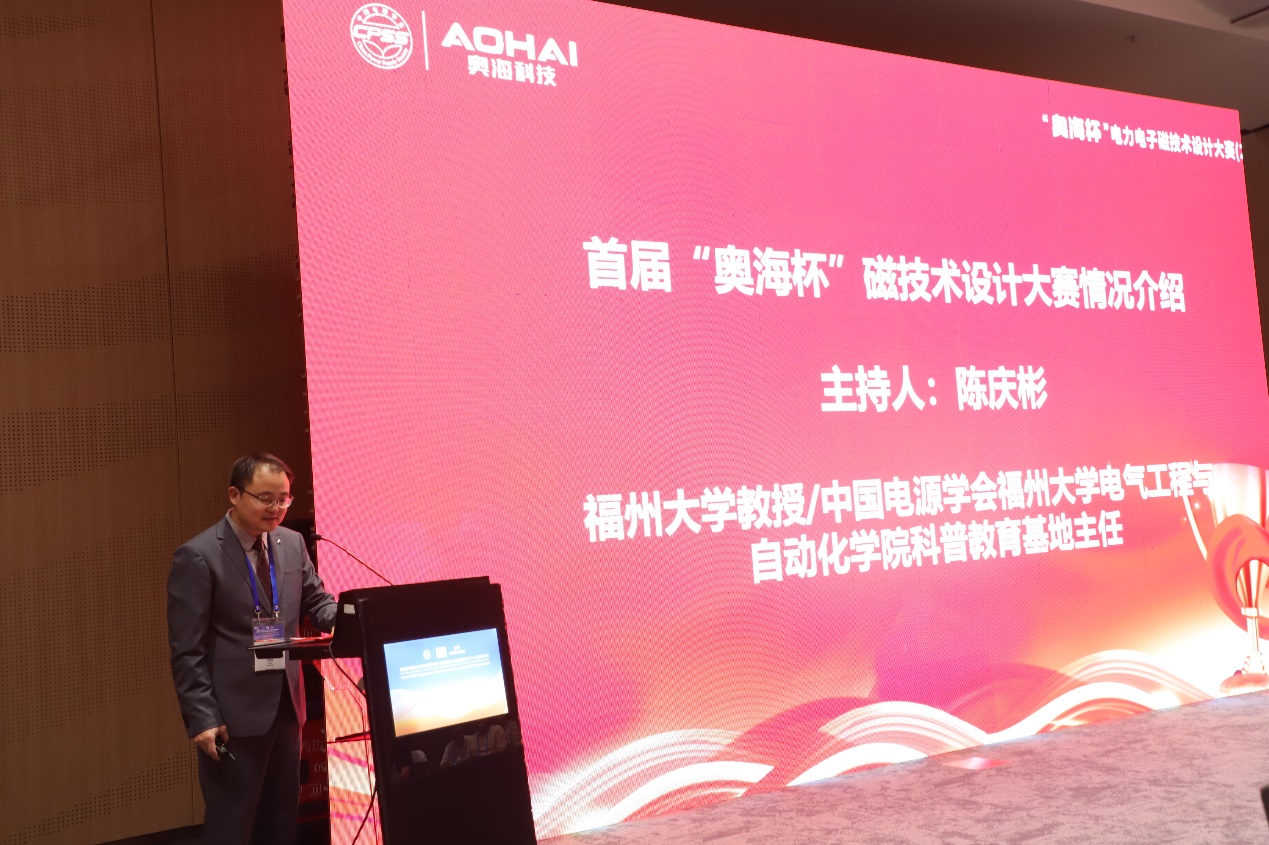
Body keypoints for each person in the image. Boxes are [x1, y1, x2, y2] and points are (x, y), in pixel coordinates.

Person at [167, 453, 337, 845]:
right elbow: (187, 649)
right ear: (235, 494)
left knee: (280, 822)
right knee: (233, 825)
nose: (276, 508)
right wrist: (202, 719)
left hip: (286, 709)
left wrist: (349, 619)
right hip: (232, 718)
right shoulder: (198, 555)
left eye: (284, 499)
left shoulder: (291, 543)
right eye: (265, 498)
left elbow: (317, 600)